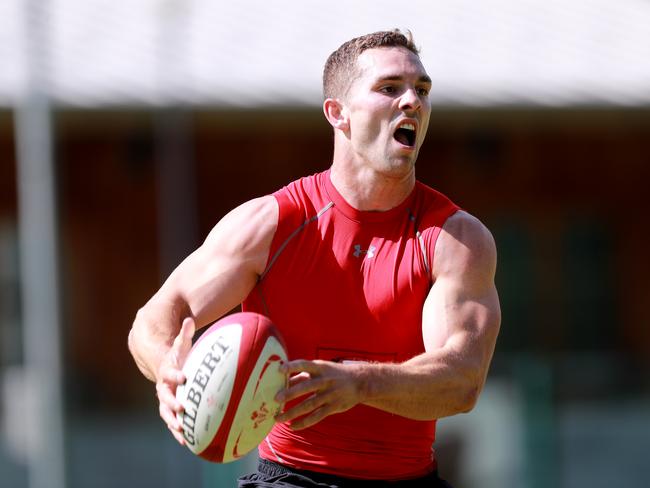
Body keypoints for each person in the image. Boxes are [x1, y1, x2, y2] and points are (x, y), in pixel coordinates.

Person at [128, 30, 501, 487]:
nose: (412, 102)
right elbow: (155, 318)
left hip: (409, 479)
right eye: (389, 88)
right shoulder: (272, 223)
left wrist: (359, 383)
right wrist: (169, 367)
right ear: (337, 113)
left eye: (421, 90)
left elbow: (462, 379)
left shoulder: (455, 239)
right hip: (288, 479)